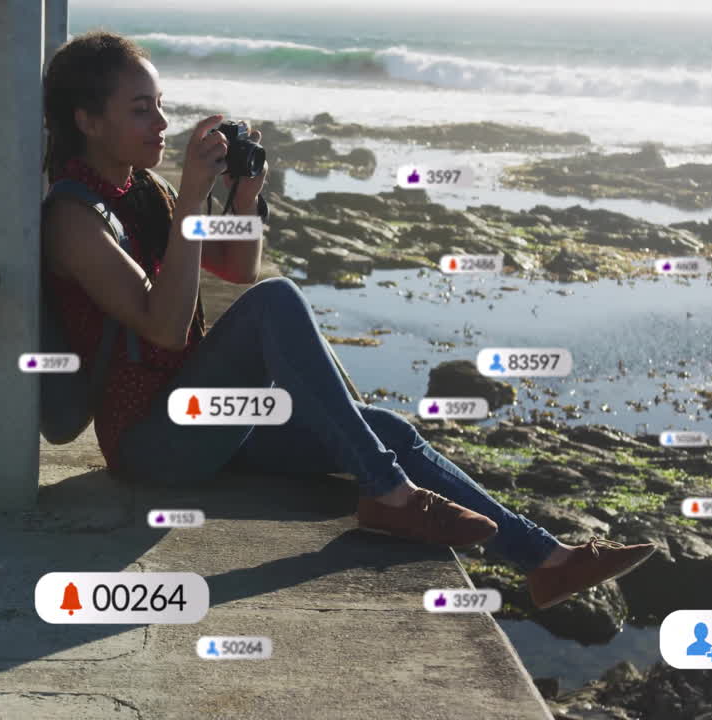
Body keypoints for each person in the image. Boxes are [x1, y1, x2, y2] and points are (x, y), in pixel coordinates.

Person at [41, 31, 654, 609]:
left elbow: (235, 267)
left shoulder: (143, 188)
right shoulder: (74, 219)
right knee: (278, 304)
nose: (163, 124)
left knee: (384, 427)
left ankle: (547, 562)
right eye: (142, 110)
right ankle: (388, 495)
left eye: (162, 105)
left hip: (206, 418)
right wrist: (193, 198)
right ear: (88, 121)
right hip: (152, 442)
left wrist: (245, 194)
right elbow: (166, 328)